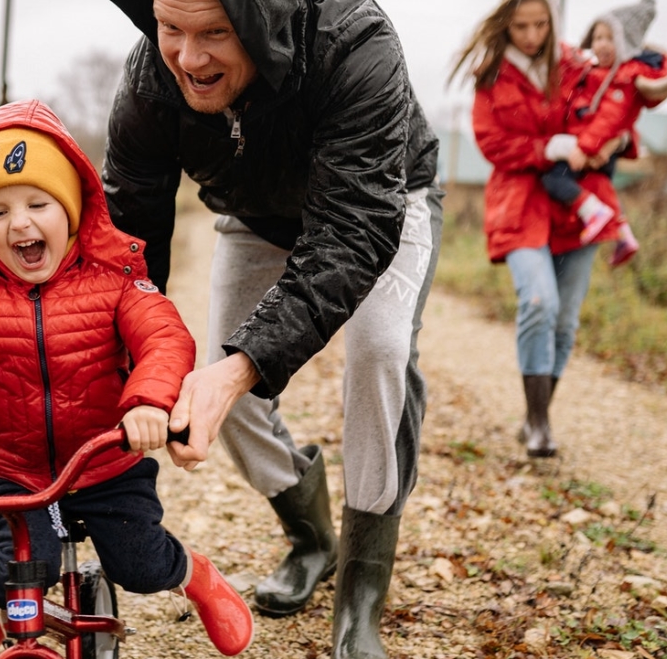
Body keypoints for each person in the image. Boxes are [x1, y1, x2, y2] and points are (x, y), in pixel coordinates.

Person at [0, 100, 253, 658]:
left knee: (139, 563)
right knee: (20, 570)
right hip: (15, 470)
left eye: (39, 203)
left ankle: (196, 576)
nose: (19, 224)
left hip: (107, 460)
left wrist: (149, 403)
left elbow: (164, 338)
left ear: (71, 210)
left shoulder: (113, 281)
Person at [102, 1, 442, 657]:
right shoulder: (150, 78)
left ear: (257, 23)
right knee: (220, 381)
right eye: (171, 30)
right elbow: (130, 247)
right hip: (256, 215)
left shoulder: (355, 43)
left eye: (214, 34)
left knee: (379, 350)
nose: (189, 59)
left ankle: (360, 594)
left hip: (379, 205)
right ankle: (313, 537)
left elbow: (351, 234)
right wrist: (119, 369)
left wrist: (242, 367)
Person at [449, 0, 618, 458]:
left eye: (540, 24)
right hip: (519, 205)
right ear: (506, 24)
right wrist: (550, 148)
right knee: (539, 301)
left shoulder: (575, 64)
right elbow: (493, 143)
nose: (530, 35)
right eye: (521, 26)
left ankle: (535, 418)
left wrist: (612, 139)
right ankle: (540, 423)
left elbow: (612, 104)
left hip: (580, 206)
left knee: (565, 319)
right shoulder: (491, 75)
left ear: (552, 22)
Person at [540, 0, 667, 266]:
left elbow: (609, 119)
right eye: (597, 37)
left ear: (626, 42)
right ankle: (623, 234)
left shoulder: (622, 78)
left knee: (554, 180)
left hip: (592, 147)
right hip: (594, 145)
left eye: (610, 38)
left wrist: (584, 149)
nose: (601, 44)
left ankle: (593, 213)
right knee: (600, 187)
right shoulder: (597, 73)